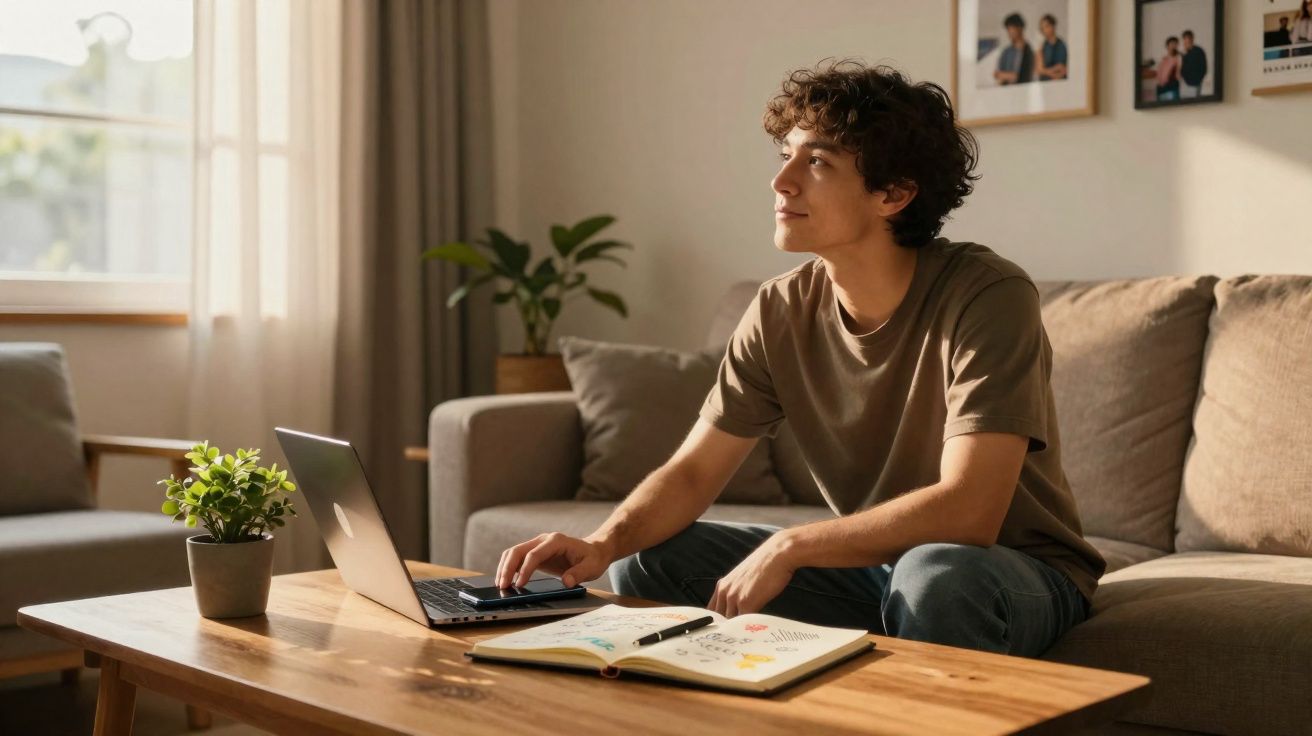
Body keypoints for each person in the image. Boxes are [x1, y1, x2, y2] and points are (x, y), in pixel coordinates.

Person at [494, 59, 1104, 658]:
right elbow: (693, 473)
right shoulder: (778, 308)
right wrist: (601, 544)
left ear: (894, 194)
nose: (781, 181)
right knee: (653, 562)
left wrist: (793, 545)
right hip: (883, 570)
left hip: (1009, 575)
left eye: (816, 161)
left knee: (936, 575)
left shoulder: (988, 295)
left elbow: (970, 511)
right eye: (785, 154)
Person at [993, 13, 1035, 85]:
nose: (1009, 32)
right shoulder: (1006, 52)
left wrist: (1009, 76)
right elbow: (997, 74)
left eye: (1011, 28)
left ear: (1020, 28)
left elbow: (1029, 76)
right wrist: (1012, 76)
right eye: (1008, 29)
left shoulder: (1029, 51)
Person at [1036, 14, 1068, 81]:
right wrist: (1052, 71)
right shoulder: (1042, 46)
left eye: (1046, 26)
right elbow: (1039, 70)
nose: (1044, 30)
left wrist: (1045, 71)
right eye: (1042, 28)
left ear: (1053, 26)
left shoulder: (1061, 45)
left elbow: (1062, 69)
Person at [1180, 30, 1208, 98]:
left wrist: (1198, 80)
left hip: (1196, 83)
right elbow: (1182, 68)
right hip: (1185, 84)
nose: (1187, 40)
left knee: (1194, 104)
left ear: (1192, 38)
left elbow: (1203, 68)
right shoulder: (1184, 53)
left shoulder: (1199, 51)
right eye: (1185, 38)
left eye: (1189, 38)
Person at [1155, 36, 1182, 101]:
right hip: (1160, 88)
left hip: (1171, 87)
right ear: (1167, 46)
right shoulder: (1163, 59)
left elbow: (1178, 75)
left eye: (1175, 44)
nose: (1174, 46)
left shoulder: (1178, 57)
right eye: (1172, 44)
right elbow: (1158, 73)